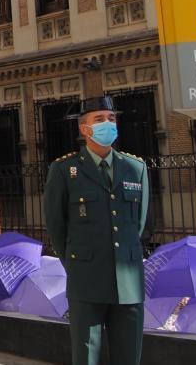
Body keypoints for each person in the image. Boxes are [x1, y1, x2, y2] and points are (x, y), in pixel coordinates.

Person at [43, 96, 148, 365]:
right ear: (84, 128)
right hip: (86, 281)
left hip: (128, 283)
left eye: (111, 119)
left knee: (128, 356)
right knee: (87, 356)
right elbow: (57, 227)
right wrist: (77, 265)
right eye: (99, 119)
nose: (107, 124)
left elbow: (140, 224)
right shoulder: (65, 170)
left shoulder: (135, 168)